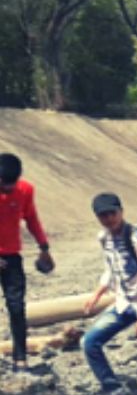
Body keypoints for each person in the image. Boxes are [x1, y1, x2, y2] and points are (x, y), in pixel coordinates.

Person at [81, 193, 137, 395]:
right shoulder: (104, 238)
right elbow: (111, 269)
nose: (109, 218)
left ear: (121, 211)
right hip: (124, 302)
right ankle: (113, 388)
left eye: (113, 213)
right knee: (89, 342)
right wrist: (97, 294)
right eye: (103, 215)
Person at [0, 153, 54, 373]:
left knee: (16, 307)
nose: (9, 189)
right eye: (4, 185)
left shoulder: (25, 190)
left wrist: (44, 248)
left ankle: (20, 357)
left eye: (12, 184)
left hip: (12, 258)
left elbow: (31, 218)